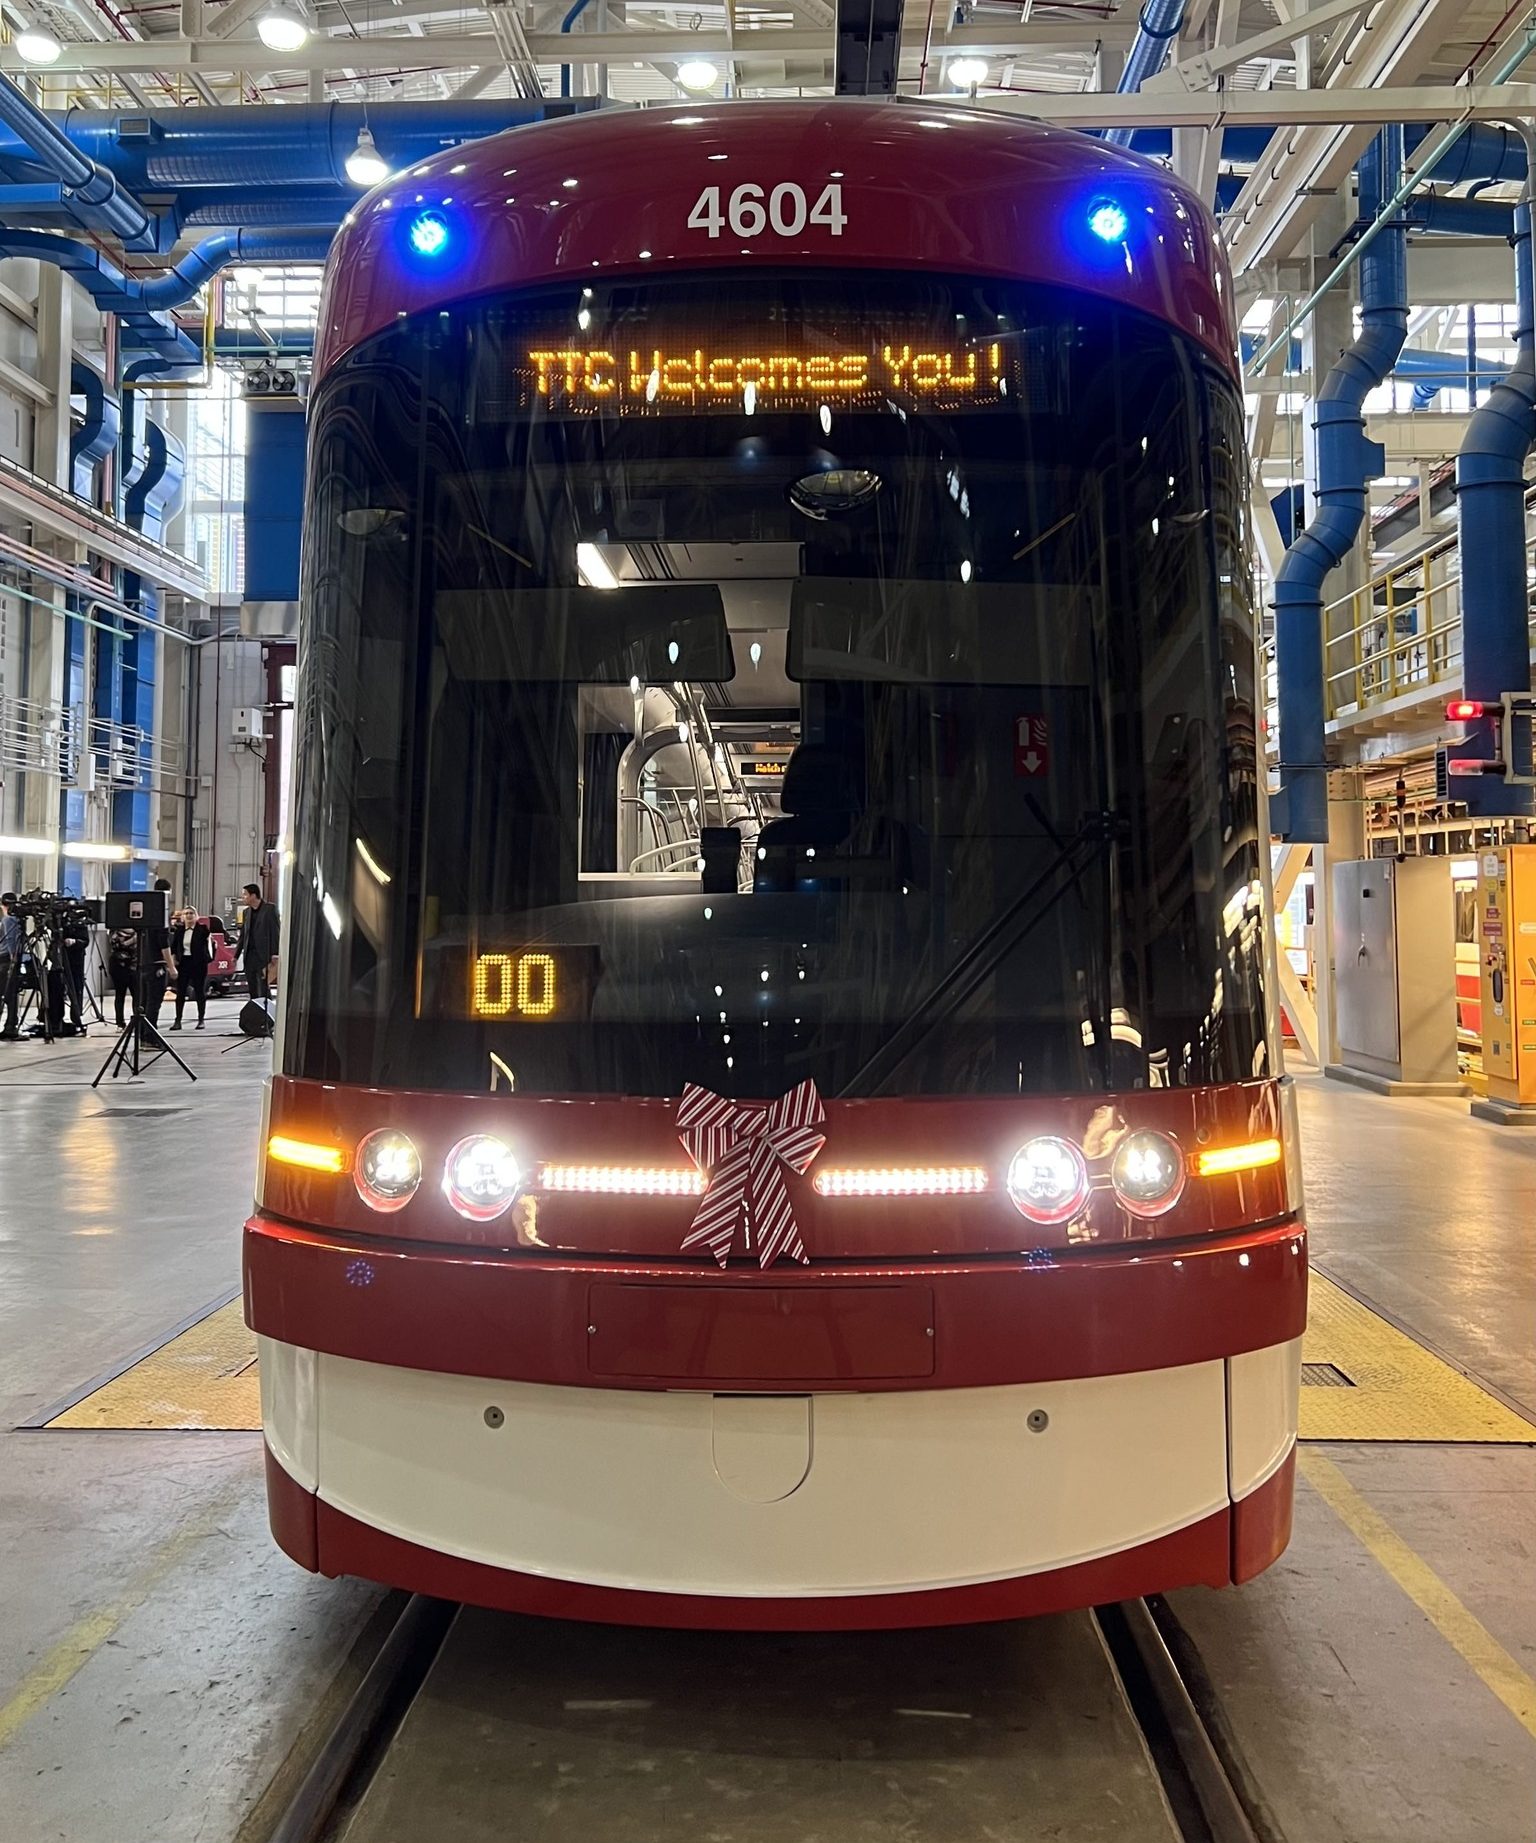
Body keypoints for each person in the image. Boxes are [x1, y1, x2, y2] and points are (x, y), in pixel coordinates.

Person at [138, 877, 178, 1041]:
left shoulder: (146, 912)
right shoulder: (161, 914)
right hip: (157, 966)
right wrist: (172, 967)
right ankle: (150, 1037)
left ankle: (141, 1035)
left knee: (143, 1002)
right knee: (154, 1003)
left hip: (144, 964)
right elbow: (164, 945)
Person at [236, 881, 280, 1005]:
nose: (243, 898)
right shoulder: (246, 912)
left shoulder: (270, 909)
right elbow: (243, 935)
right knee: (252, 988)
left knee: (263, 987)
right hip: (250, 956)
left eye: (245, 895)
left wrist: (275, 953)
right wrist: (236, 955)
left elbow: (275, 931)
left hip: (264, 955)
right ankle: (255, 1013)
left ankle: (268, 1015)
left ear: (253, 896)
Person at [170, 910, 212, 1031]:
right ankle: (177, 1020)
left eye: (191, 913)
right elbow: (173, 947)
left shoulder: (202, 929)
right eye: (186, 914)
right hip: (184, 963)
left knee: (199, 991)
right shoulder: (179, 930)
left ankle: (201, 1020)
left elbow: (208, 945)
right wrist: (173, 962)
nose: (189, 916)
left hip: (198, 963)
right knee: (181, 992)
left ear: (196, 916)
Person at [0, 892, 22, 1041]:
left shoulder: (7, 919)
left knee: (7, 994)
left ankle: (10, 1025)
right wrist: (14, 956)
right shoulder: (10, 920)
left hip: (4, 959)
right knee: (10, 994)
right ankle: (10, 1026)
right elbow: (10, 941)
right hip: (7, 959)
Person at [108, 923, 138, 1028]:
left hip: (134, 964)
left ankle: (137, 1020)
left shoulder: (137, 929)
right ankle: (120, 1022)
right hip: (118, 964)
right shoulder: (115, 930)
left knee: (137, 995)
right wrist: (132, 940)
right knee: (120, 994)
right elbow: (116, 944)